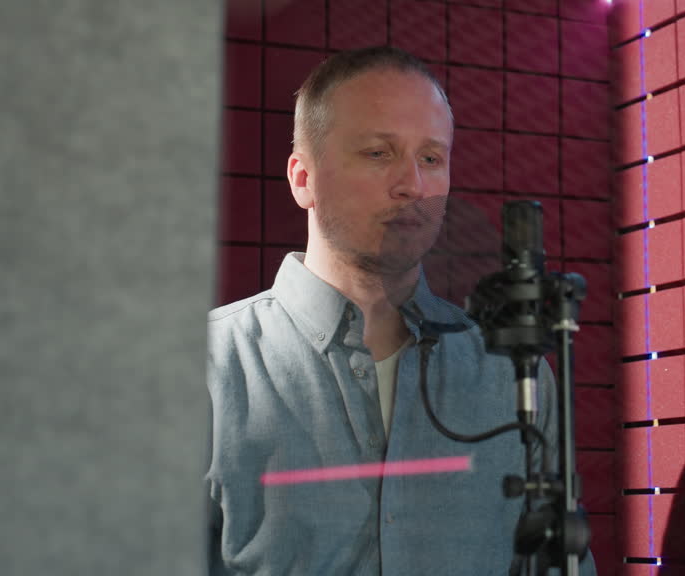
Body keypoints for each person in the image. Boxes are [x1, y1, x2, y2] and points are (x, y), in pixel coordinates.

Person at [205, 46, 595, 575]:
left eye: (431, 158)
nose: (413, 184)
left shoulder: (512, 375)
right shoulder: (205, 367)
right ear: (303, 179)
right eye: (377, 153)